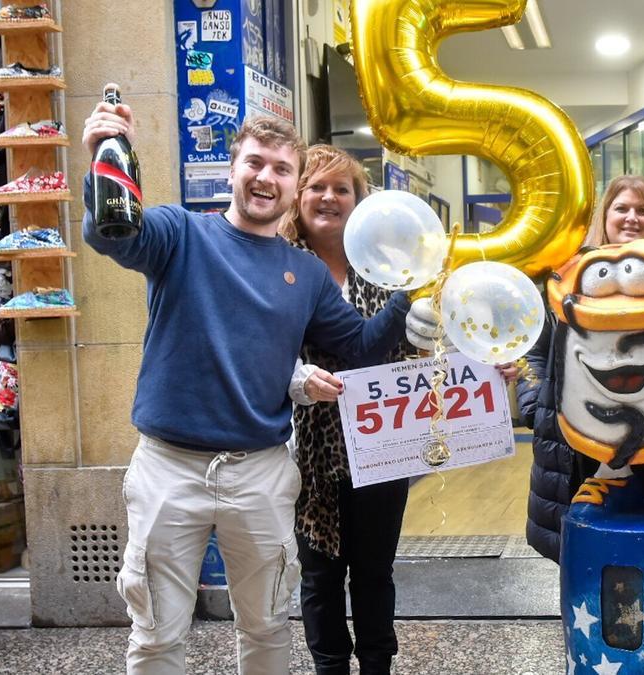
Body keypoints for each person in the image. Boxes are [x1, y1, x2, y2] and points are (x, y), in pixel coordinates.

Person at [82, 104, 409, 673]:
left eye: (282, 169)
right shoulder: (180, 233)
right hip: (169, 468)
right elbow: (118, 236)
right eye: (255, 163)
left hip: (259, 473)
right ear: (232, 170)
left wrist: (411, 295)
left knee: (266, 629)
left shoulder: (303, 274)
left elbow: (358, 345)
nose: (267, 177)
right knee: (157, 632)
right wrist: (104, 164)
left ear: (291, 185)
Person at [279, 145, 412, 675]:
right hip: (307, 448)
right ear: (298, 196)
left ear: (360, 202)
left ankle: (379, 665)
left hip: (382, 443)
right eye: (317, 186)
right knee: (320, 574)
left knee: (376, 571)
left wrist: (484, 371)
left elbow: (420, 351)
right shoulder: (277, 264)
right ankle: (330, 667)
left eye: (343, 188)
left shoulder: (387, 268)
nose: (330, 198)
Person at [518, 174, 644, 562]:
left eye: (643, 210)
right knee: (585, 559)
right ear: (604, 217)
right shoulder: (568, 279)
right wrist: (538, 400)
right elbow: (530, 350)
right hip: (579, 448)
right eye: (621, 208)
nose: (631, 218)